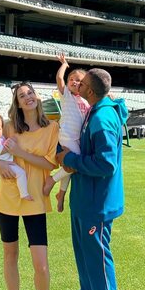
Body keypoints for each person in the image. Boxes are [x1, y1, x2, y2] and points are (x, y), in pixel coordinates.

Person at [0, 81, 63, 290]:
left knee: (40, 263)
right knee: (11, 254)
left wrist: (19, 152)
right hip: (6, 199)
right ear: (17, 103)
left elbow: (49, 163)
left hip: (35, 201)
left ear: (37, 97)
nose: (27, 97)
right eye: (21, 95)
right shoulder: (7, 126)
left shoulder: (52, 128)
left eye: (30, 93)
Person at [56, 68, 128, 290]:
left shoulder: (103, 117)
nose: (77, 84)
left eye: (82, 83)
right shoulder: (92, 109)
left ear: (91, 90)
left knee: (97, 260)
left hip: (97, 204)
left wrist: (70, 159)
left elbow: (106, 164)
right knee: (85, 258)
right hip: (84, 199)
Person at [43, 54, 89, 212]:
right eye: (72, 79)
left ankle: (61, 195)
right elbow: (59, 79)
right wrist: (64, 64)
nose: (75, 82)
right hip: (67, 136)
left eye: (80, 81)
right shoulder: (66, 96)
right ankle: (52, 180)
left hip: (78, 139)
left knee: (69, 167)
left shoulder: (86, 101)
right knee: (73, 164)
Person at [0, 112, 33, 201]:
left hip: (3, 164)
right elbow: (2, 150)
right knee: (21, 173)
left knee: (18, 175)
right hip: (2, 167)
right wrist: (11, 142)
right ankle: (24, 194)